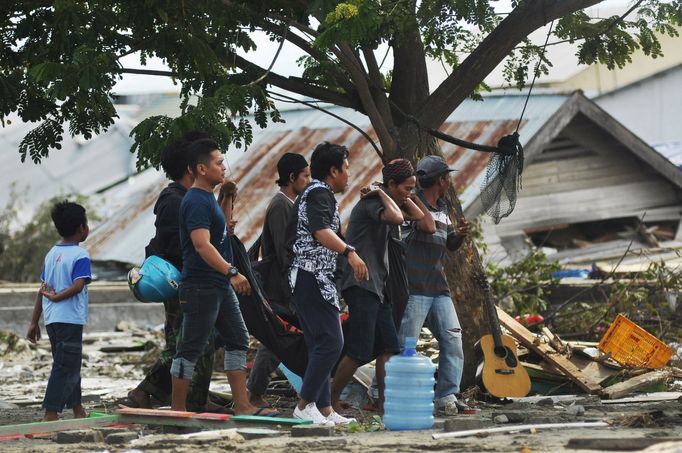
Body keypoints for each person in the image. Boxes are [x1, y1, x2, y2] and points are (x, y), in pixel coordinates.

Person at [169, 138, 276, 416]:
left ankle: (242, 405)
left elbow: (221, 232)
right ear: (201, 169)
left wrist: (227, 198)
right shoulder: (195, 200)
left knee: (238, 338)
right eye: (218, 163)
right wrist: (232, 271)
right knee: (190, 347)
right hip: (202, 284)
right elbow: (202, 244)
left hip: (218, 284)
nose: (224, 167)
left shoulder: (207, 199)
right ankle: (177, 409)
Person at [331, 158, 435, 414]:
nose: (409, 193)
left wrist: (398, 193)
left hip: (378, 287)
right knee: (358, 350)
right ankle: (329, 401)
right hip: (360, 283)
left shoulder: (387, 197)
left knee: (389, 346)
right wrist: (380, 192)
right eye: (406, 188)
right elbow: (398, 217)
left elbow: (420, 216)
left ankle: (383, 403)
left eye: (412, 188)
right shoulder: (371, 202)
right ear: (390, 184)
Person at [128, 133, 219, 412]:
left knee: (192, 342)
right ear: (192, 168)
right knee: (190, 344)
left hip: (189, 280)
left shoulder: (184, 197)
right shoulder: (177, 201)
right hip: (181, 282)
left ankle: (190, 396)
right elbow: (184, 246)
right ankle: (155, 394)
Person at [286, 142, 367, 425]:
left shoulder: (317, 193)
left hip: (312, 277)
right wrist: (350, 252)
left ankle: (324, 409)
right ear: (333, 170)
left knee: (319, 343)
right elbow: (321, 232)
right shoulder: (319, 193)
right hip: (310, 276)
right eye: (346, 169)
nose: (348, 175)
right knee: (333, 341)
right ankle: (303, 405)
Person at [399, 155, 471, 415]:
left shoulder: (442, 208)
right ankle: (382, 393)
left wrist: (458, 236)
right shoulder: (410, 205)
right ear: (440, 180)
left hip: (438, 287)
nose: (450, 181)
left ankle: (447, 397)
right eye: (447, 177)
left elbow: (448, 244)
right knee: (404, 344)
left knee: (452, 339)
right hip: (415, 286)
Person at [247, 152, 310, 408]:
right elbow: (287, 252)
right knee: (277, 341)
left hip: (288, 285)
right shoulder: (281, 205)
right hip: (284, 287)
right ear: (291, 177)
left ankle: (314, 394)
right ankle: (254, 392)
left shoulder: (289, 204)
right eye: (305, 176)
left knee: (286, 340)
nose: (308, 181)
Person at [26, 201, 91, 421]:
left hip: (52, 321)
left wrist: (34, 322)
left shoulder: (51, 253)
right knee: (66, 366)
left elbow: (41, 289)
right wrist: (56, 297)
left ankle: (77, 408)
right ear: (82, 228)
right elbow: (78, 285)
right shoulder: (80, 255)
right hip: (70, 320)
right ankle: (51, 412)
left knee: (67, 363)